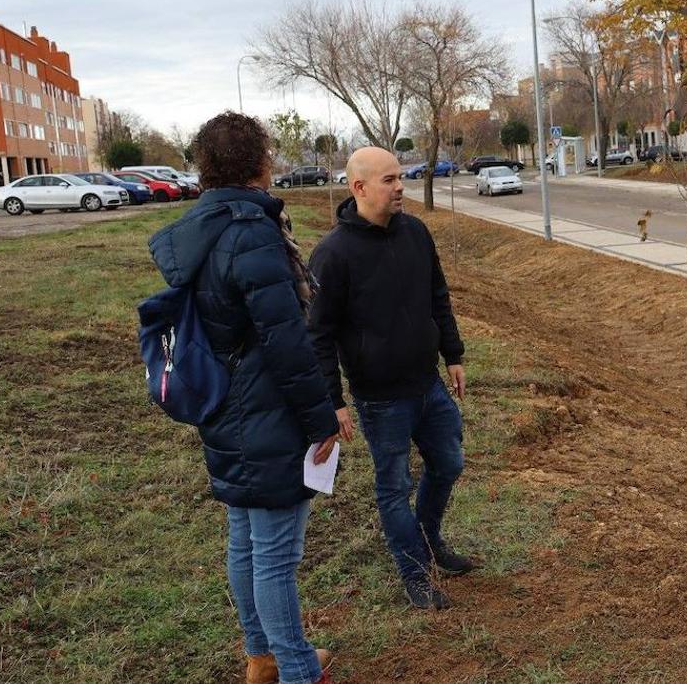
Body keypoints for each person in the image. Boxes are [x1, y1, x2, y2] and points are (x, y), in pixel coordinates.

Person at [148, 111, 349, 684]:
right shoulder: (251, 232)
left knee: (246, 536)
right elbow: (287, 342)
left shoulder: (202, 227)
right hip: (264, 408)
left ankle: (261, 657)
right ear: (261, 162)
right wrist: (320, 419)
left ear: (205, 166)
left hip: (224, 402)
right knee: (276, 552)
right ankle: (294, 668)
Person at [308, 146, 473, 610]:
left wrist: (453, 354)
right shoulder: (332, 255)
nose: (401, 186)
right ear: (358, 187)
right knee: (394, 487)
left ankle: (428, 538)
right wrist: (333, 400)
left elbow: (438, 295)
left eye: (400, 177)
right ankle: (415, 573)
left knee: (449, 464)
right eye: (389, 180)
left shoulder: (416, 233)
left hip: (428, 383)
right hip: (381, 400)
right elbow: (317, 334)